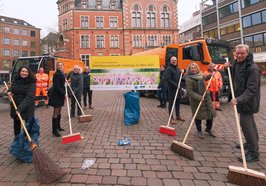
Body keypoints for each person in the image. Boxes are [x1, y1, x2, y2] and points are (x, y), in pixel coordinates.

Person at [224, 44, 261, 163]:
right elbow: (232, 73)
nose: (239, 55)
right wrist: (226, 68)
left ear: (247, 53)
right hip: (241, 99)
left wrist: (239, 99)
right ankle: (251, 143)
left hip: (248, 101)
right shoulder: (236, 63)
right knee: (250, 123)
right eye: (237, 53)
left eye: (242, 53)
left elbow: (252, 89)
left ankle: (253, 153)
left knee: (246, 125)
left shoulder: (253, 68)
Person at [186, 62, 216, 139]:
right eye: (192, 68)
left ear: (197, 68)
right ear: (190, 69)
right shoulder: (189, 78)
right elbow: (189, 91)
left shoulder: (201, 74)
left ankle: (208, 129)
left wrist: (209, 76)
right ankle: (199, 131)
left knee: (210, 114)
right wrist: (199, 97)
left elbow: (204, 78)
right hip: (196, 100)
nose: (194, 69)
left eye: (195, 68)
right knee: (198, 116)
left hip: (206, 97)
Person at [8, 66, 36, 136]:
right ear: (20, 72)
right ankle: (17, 139)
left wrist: (20, 108)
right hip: (16, 104)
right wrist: (9, 91)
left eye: (26, 72)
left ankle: (28, 139)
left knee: (28, 125)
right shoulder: (16, 79)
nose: (24, 73)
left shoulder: (31, 83)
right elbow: (13, 88)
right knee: (16, 123)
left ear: (29, 73)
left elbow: (29, 97)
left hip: (27, 107)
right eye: (22, 71)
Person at [164, 56, 185, 124]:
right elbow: (168, 79)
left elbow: (179, 77)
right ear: (170, 61)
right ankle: (171, 117)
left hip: (178, 89)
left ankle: (178, 115)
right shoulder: (169, 69)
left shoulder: (177, 68)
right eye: (173, 60)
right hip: (172, 89)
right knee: (171, 104)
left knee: (178, 103)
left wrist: (183, 72)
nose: (174, 61)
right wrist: (176, 85)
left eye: (175, 60)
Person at [48, 62, 66, 137]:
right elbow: (57, 86)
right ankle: (54, 130)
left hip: (60, 95)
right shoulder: (57, 74)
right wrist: (64, 93)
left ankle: (58, 127)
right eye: (58, 65)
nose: (60, 66)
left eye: (61, 65)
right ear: (56, 67)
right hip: (56, 95)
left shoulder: (62, 73)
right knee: (56, 112)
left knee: (59, 111)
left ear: (63, 66)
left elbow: (62, 84)